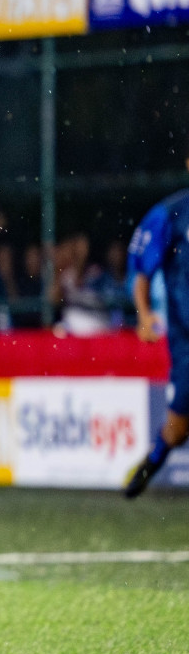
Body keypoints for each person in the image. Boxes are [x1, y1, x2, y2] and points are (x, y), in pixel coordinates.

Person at [123, 163, 189, 497]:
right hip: (186, 339)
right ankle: (153, 459)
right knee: (178, 431)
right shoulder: (171, 214)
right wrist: (145, 314)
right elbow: (142, 274)